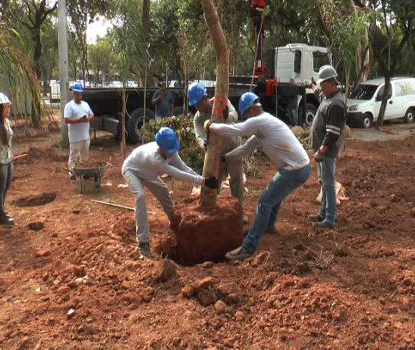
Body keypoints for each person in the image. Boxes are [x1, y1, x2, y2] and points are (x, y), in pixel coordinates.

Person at [204, 92, 311, 261]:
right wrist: (227, 158)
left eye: (245, 115)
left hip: (294, 169)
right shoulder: (264, 125)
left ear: (251, 112)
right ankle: (268, 225)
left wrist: (211, 126)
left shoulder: (260, 121)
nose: (246, 119)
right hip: (301, 167)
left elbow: (235, 129)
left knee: (264, 201)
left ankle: (249, 247)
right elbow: (246, 148)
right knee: (275, 193)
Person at [122, 127, 218, 258]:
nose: (172, 154)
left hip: (149, 172)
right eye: (169, 151)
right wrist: (203, 181)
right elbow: (177, 174)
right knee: (139, 196)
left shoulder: (170, 150)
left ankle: (175, 224)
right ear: (160, 148)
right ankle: (143, 243)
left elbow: (183, 168)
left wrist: (202, 180)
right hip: (132, 170)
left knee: (164, 191)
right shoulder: (154, 158)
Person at [187, 82, 248, 224]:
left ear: (204, 98)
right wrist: (205, 145)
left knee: (237, 179)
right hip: (215, 152)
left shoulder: (221, 102)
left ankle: (239, 211)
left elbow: (234, 115)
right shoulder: (198, 118)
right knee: (214, 182)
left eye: (197, 103)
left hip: (233, 145)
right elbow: (200, 136)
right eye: (194, 105)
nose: (196, 107)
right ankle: (212, 210)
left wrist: (226, 115)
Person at [306, 65, 347, 229]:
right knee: (324, 182)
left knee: (329, 183)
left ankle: (330, 219)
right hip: (321, 151)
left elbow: (333, 133)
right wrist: (312, 85)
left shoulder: (336, 104)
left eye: (324, 85)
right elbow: (318, 94)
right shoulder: (328, 98)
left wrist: (322, 150)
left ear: (332, 83)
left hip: (327, 151)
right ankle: (322, 213)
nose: (321, 88)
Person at [0, 93, 15, 225]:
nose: (7, 110)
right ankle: (1, 216)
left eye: (8, 107)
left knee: (6, 186)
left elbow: (8, 141)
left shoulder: (7, 122)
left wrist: (10, 153)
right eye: (4, 107)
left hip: (7, 160)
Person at [64, 83, 94, 182]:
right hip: (75, 136)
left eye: (80, 94)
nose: (79, 96)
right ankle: (72, 173)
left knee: (84, 156)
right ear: (74, 94)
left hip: (85, 135)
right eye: (77, 94)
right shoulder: (69, 106)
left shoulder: (85, 104)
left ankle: (84, 173)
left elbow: (92, 115)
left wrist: (87, 119)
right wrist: (79, 120)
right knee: (74, 155)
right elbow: (67, 119)